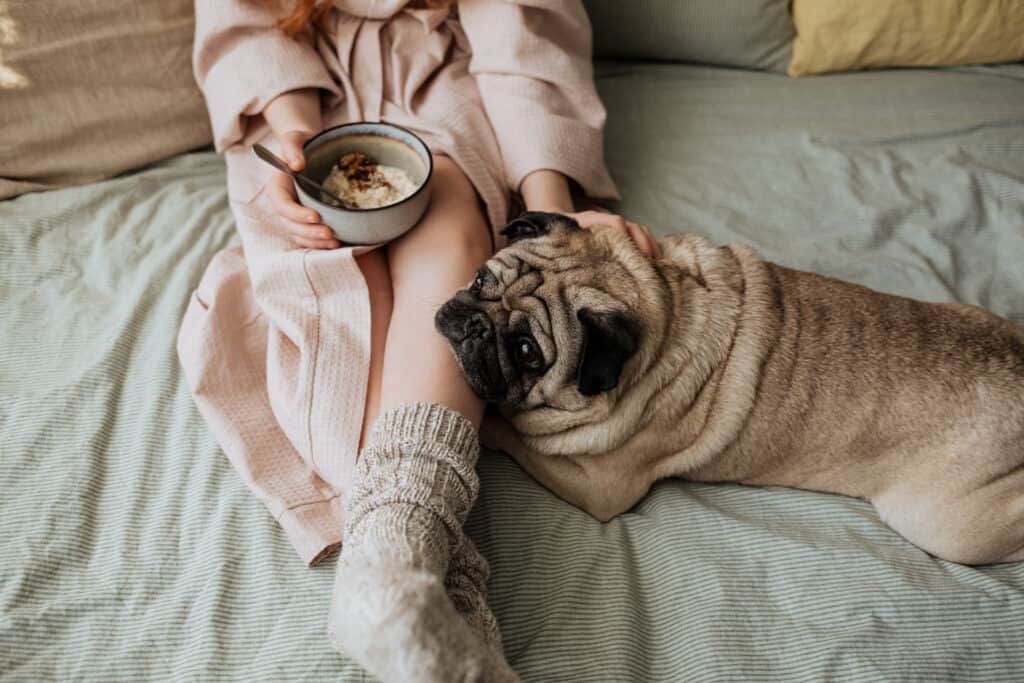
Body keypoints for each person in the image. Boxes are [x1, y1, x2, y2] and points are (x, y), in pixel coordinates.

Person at [178, 0, 657, 679]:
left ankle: (390, 565)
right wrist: (294, 139)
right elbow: (247, 20)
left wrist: (549, 210)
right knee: (349, 301)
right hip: (296, 94)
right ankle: (419, 581)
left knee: (444, 214)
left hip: (444, 81)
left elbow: (521, 28)